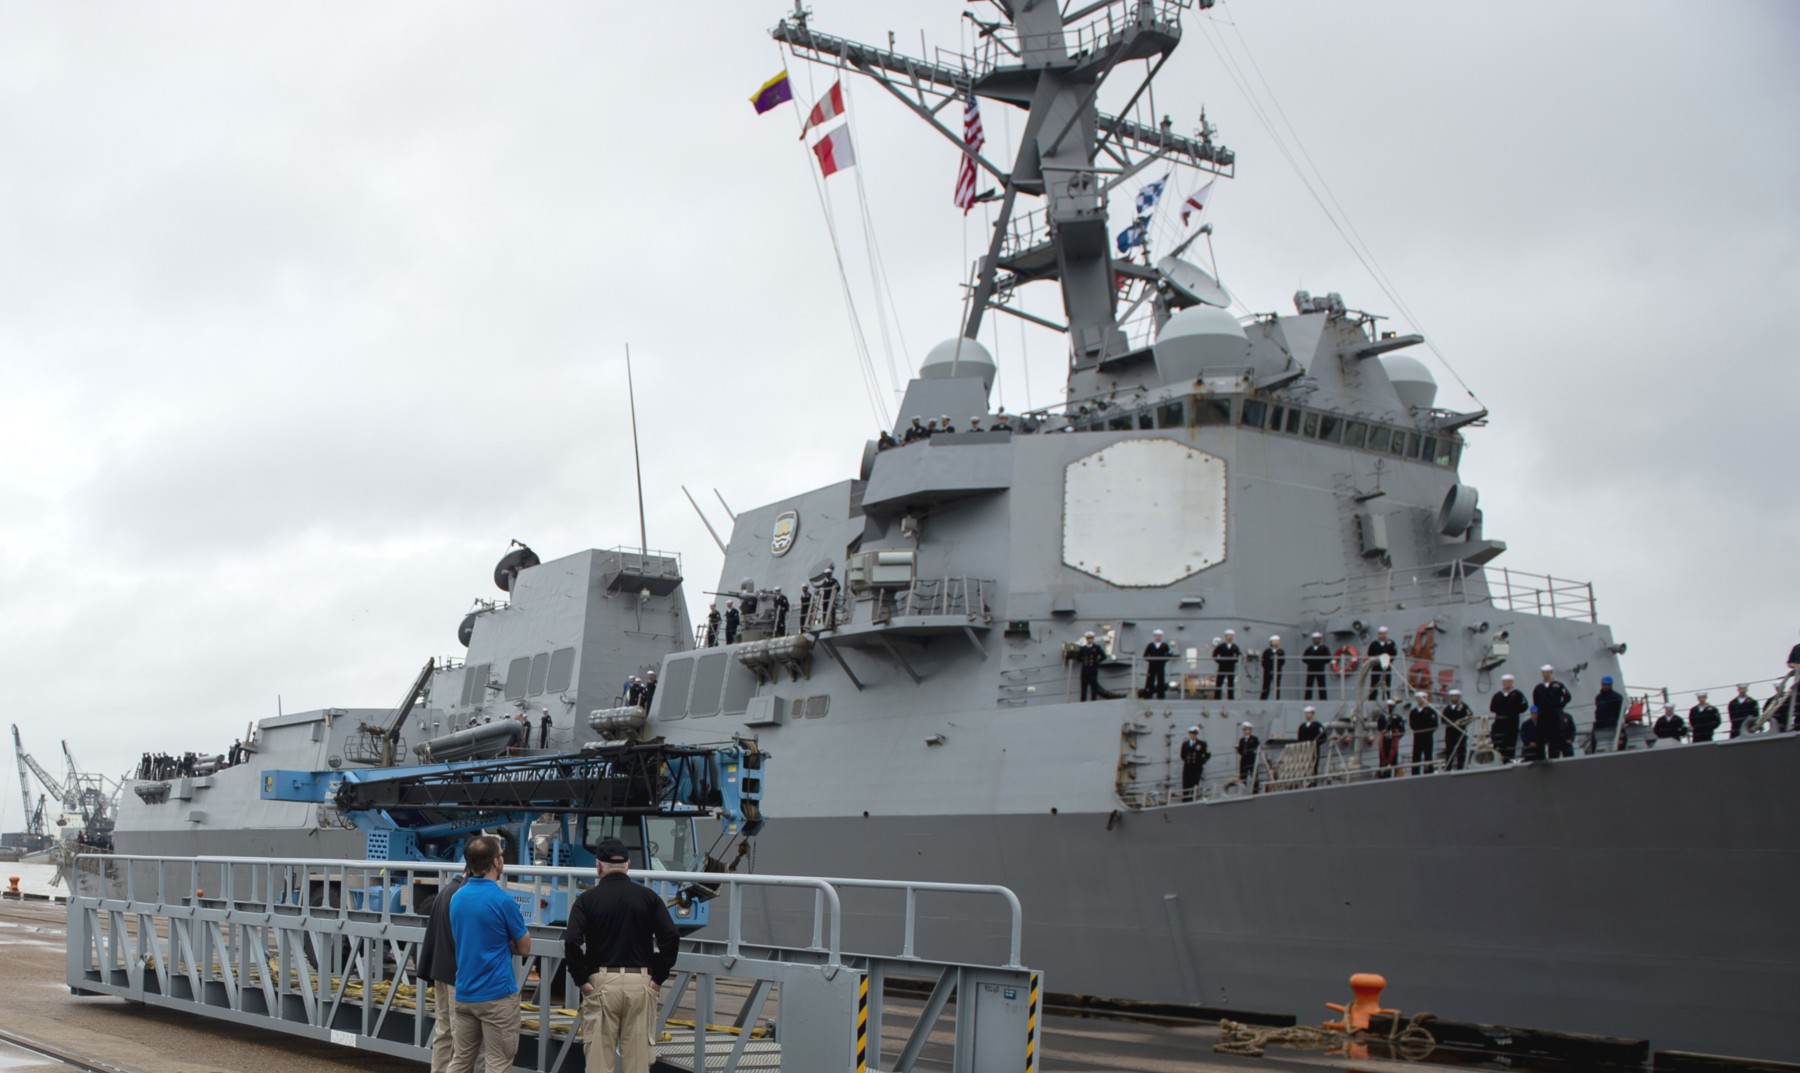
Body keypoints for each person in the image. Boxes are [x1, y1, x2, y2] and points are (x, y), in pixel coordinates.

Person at [563, 838, 680, 1073]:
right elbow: (671, 937)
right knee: (637, 1064)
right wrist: (657, 978)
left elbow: (571, 941)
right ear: (629, 864)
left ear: (598, 867)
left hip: (601, 983)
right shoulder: (649, 898)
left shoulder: (586, 901)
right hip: (641, 983)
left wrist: (582, 981)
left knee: (598, 1062)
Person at [447, 835, 530, 1073]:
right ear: (496, 862)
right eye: (501, 855)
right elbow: (524, 947)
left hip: (464, 993)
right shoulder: (503, 901)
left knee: (461, 1060)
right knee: (497, 1063)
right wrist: (507, 943)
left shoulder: (457, 898)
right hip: (496, 995)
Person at [418, 866, 469, 1073]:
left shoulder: (446, 891)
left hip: (440, 971)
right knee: (462, 1039)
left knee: (444, 1032)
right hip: (456, 976)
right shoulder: (462, 895)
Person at [1532, 665, 1572, 759]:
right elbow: (1535, 701)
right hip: (1542, 715)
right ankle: (1541, 758)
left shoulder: (1557, 685)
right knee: (1541, 736)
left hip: (1554, 715)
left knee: (1554, 737)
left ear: (1551, 673)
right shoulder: (1539, 687)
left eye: (1547, 672)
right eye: (1543, 672)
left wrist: (1559, 706)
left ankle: (1553, 757)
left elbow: (1567, 697)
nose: (1545, 674)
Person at [1489, 674, 1527, 763]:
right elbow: (1492, 708)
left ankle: (1509, 760)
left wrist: (1513, 712)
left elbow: (1524, 706)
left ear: (1512, 682)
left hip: (1512, 723)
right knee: (1499, 743)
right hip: (1500, 723)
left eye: (1509, 681)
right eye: (1505, 681)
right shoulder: (1498, 695)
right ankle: (1499, 760)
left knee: (1510, 743)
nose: (1506, 683)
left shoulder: (1517, 694)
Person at [1441, 689, 1473, 770]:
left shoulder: (1463, 707)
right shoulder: (1447, 708)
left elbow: (1470, 716)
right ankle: (1448, 767)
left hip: (1460, 732)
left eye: (1456, 696)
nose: (1454, 698)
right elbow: (1443, 719)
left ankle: (1461, 767)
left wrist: (1461, 722)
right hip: (1450, 733)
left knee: (1461, 750)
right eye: (1453, 696)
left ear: (1459, 697)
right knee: (1449, 750)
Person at [1407, 691, 1439, 775]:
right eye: (1418, 699)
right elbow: (1412, 724)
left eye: (1422, 698)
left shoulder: (1431, 711)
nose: (1420, 700)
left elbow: (1434, 724)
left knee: (1428, 755)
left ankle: (1428, 771)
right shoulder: (1413, 712)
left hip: (1427, 736)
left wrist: (1427, 730)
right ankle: (1415, 772)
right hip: (1417, 736)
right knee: (1416, 755)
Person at [1589, 676, 1623, 753]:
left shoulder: (1617, 697)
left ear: (1611, 685)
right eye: (1604, 684)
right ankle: (1593, 751)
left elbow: (1619, 711)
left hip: (1611, 722)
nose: (1605, 686)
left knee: (1612, 737)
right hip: (1600, 721)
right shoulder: (1598, 697)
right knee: (1595, 735)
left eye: (1607, 684)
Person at [1366, 627, 1398, 701]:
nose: (1383, 635)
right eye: (1381, 634)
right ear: (1379, 634)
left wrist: (1389, 660)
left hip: (1387, 665)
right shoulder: (1374, 644)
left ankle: (1387, 697)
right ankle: (1372, 698)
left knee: (1387, 682)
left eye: (1384, 633)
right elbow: (1370, 654)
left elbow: (1394, 653)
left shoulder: (1391, 643)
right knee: (1374, 682)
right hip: (1376, 666)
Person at [1179, 727, 1209, 802]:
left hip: (1196, 767)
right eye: (1192, 734)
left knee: (1195, 783)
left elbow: (1208, 754)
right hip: (1187, 767)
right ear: (1189, 734)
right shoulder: (1185, 744)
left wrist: (1201, 762)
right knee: (1186, 783)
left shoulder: (1202, 744)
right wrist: (1187, 761)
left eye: (1194, 734)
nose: (1193, 735)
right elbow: (1182, 755)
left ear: (1196, 734)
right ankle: (1185, 799)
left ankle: (1193, 798)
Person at [1376, 700, 1405, 776]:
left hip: (1392, 740)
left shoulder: (1397, 718)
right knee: (1382, 756)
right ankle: (1383, 772)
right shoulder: (1382, 717)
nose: (1389, 708)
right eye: (1388, 706)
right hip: (1384, 740)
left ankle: (1393, 772)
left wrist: (1395, 733)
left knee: (1393, 757)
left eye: (1390, 706)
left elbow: (1402, 730)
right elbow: (1379, 728)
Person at [1143, 629, 1174, 699]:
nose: (1158, 637)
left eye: (1159, 636)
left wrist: (1163, 660)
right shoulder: (1150, 645)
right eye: (1157, 636)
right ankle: (1148, 695)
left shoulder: (1164, 645)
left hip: (1160, 666)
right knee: (1150, 680)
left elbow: (1168, 655)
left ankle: (1161, 696)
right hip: (1152, 665)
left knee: (1161, 680)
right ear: (1154, 637)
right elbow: (1145, 655)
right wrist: (1151, 660)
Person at [1075, 631, 1105, 702]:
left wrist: (1097, 662)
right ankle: (1083, 700)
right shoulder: (1083, 648)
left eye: (1091, 638)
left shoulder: (1097, 647)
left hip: (1093, 670)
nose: (1089, 640)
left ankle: (1093, 700)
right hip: (1085, 670)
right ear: (1086, 639)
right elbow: (1078, 657)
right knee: (1083, 687)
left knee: (1093, 686)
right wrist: (1083, 661)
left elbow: (1103, 656)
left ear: (1093, 639)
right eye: (1088, 638)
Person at [1212, 629, 1241, 700]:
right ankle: (1217, 697)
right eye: (1228, 636)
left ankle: (1231, 698)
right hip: (1222, 666)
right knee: (1219, 682)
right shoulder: (1221, 646)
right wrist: (1220, 661)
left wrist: (1233, 661)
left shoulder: (1235, 647)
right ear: (1225, 637)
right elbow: (1214, 654)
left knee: (1231, 683)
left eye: (1231, 636)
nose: (1230, 637)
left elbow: (1238, 655)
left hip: (1231, 666)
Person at [1295, 706, 1325, 775]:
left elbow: (1323, 737)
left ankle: (1314, 780)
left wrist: (1316, 743)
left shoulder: (1318, 726)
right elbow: (1300, 738)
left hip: (1314, 749)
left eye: (1308, 713)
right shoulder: (1302, 726)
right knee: (1304, 764)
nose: (1307, 715)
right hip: (1304, 749)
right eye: (1306, 713)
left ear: (1312, 714)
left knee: (1314, 764)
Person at [1302, 632, 1331, 700]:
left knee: (1321, 684)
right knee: (1309, 684)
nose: (1316, 640)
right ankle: (1307, 698)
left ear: (1320, 639)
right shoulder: (1309, 649)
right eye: (1314, 639)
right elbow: (1304, 658)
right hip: (1311, 668)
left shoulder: (1324, 648)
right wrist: (1310, 661)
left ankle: (1323, 699)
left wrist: (1321, 661)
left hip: (1320, 668)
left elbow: (1328, 658)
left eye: (1317, 639)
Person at [1235, 722, 1260, 790]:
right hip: (1244, 759)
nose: (1245, 731)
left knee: (1253, 774)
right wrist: (1237, 749)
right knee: (1243, 775)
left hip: (1251, 759)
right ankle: (1244, 789)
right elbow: (1240, 751)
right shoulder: (1242, 740)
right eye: (1244, 730)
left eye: (1247, 729)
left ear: (1250, 730)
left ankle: (1255, 789)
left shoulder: (1254, 739)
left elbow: (1257, 747)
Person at [1260, 635, 1285, 700]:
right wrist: (1268, 668)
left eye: (1277, 641)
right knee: (1266, 686)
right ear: (1271, 642)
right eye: (1274, 641)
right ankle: (1263, 699)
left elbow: (1282, 661)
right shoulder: (1267, 651)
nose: (1276, 643)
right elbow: (1263, 662)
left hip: (1277, 671)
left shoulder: (1281, 652)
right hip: (1268, 672)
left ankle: (1277, 699)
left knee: (1277, 686)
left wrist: (1277, 667)